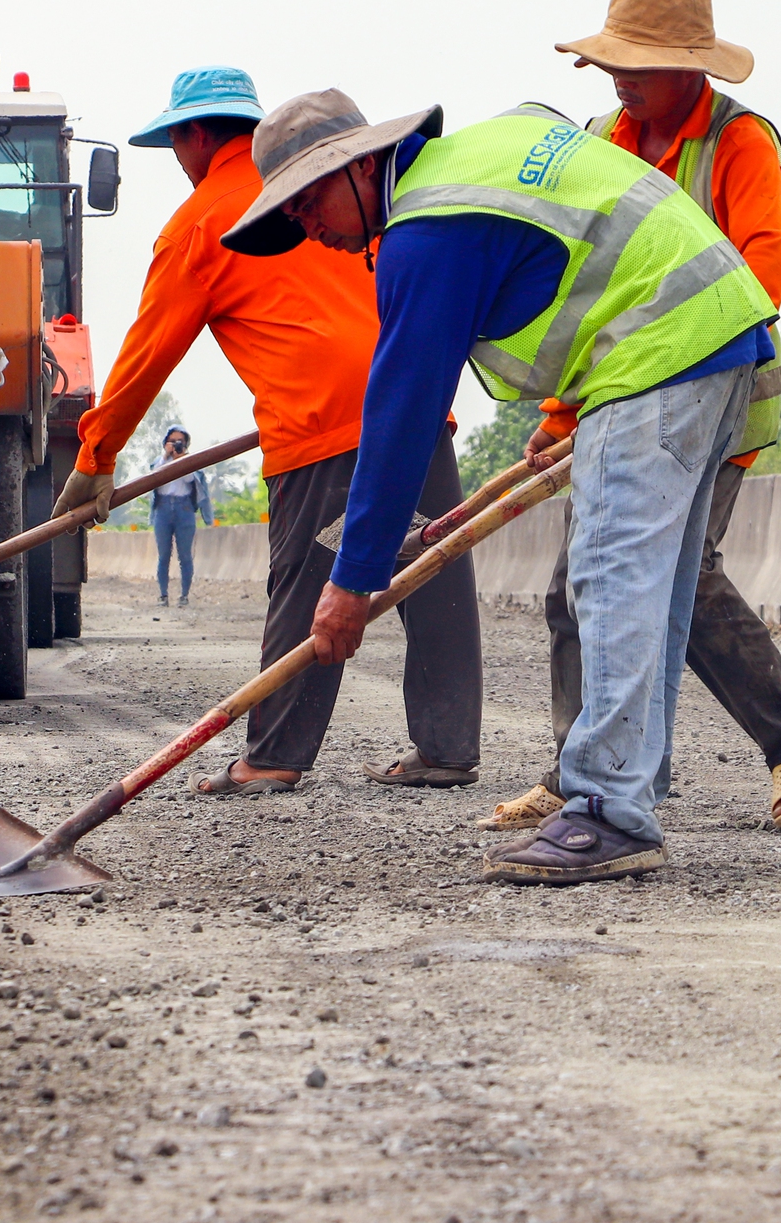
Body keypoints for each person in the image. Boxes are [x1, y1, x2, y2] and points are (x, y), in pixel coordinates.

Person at [221, 85, 775, 883]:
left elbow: (404, 410)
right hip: (720, 329)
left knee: (611, 575)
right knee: (654, 589)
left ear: (362, 165)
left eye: (308, 201)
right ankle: (630, 784)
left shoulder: (425, 229)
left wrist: (353, 580)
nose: (307, 226)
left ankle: (611, 808)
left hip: (661, 351)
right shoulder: (475, 159)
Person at [477, 0, 781, 835]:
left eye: (639, 65)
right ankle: (588, 773)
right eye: (614, 62)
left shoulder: (740, 143)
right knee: (579, 586)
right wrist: (563, 410)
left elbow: (761, 281)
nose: (619, 79)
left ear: (691, 68)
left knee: (682, 578)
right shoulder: (605, 138)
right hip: (611, 399)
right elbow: (585, 288)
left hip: (712, 398)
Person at [52, 66, 483, 796]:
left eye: (176, 146)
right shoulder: (325, 189)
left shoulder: (204, 223)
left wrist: (96, 456)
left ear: (193, 137)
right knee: (430, 568)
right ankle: (447, 747)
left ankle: (276, 754)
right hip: (412, 397)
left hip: (318, 424)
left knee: (310, 584)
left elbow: (146, 355)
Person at [148, 425, 215, 607]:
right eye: (172, 441)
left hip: (183, 509)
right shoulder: (159, 461)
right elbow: (155, 478)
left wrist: (181, 461)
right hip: (163, 508)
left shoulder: (190, 462)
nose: (176, 445)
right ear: (165, 443)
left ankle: (184, 595)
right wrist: (166, 456)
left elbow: (188, 480)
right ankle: (163, 595)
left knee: (185, 556)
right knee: (163, 555)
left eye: (180, 442)